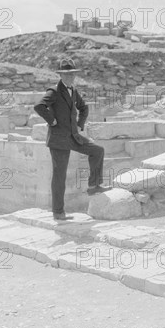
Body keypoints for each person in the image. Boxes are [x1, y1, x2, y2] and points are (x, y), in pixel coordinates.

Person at [34, 59, 111, 220]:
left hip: (73, 136)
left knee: (97, 151)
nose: (70, 77)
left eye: (72, 74)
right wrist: (52, 121)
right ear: (61, 75)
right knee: (59, 176)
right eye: (66, 75)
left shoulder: (73, 91)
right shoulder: (54, 91)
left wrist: (80, 124)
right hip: (58, 140)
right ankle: (58, 212)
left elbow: (84, 107)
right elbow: (39, 106)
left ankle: (94, 185)